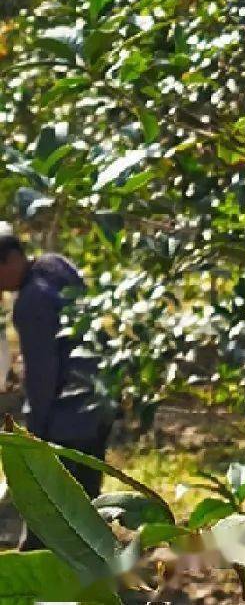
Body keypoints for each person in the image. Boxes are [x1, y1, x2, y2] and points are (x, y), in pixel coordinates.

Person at [0, 226, 113, 548]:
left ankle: (28, 572)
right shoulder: (55, 266)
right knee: (86, 507)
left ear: (9, 260)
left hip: (67, 418)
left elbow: (42, 373)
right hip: (98, 404)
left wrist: (35, 431)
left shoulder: (31, 301)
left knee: (49, 514)